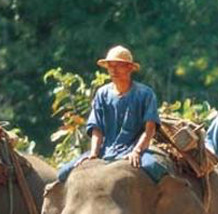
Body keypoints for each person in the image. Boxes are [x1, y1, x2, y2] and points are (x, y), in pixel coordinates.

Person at [57, 45, 165, 182]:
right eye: (110, 66)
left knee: (157, 170)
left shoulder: (145, 94)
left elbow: (150, 129)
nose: (113, 70)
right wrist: (94, 153)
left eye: (119, 65)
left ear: (129, 68)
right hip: (106, 151)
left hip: (134, 149)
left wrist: (137, 151)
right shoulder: (102, 94)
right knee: (63, 173)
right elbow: (96, 128)